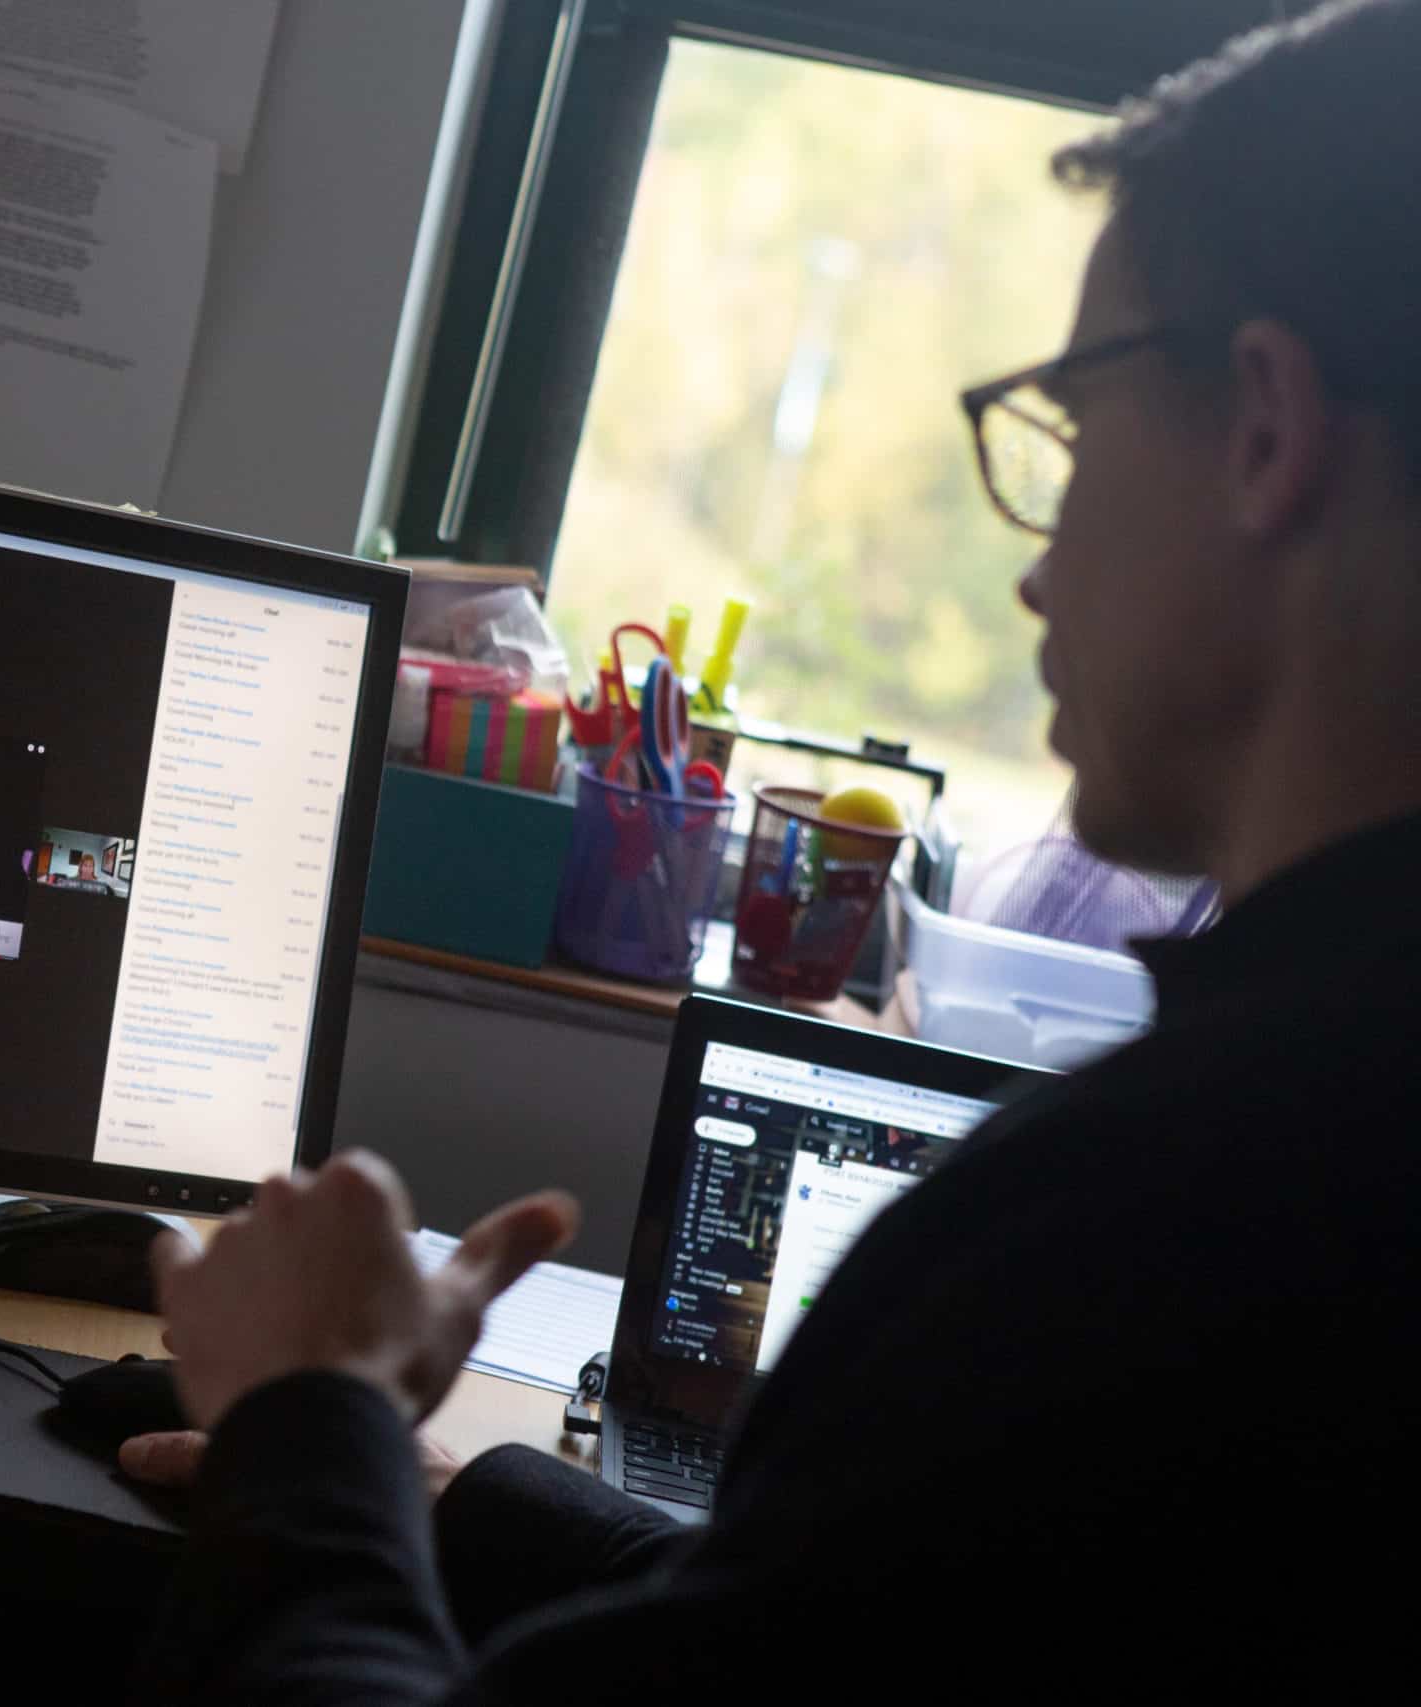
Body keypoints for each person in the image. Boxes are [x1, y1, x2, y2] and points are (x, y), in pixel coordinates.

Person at [125, 1, 1421, 1692]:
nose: (1032, 570)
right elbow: (891, 1608)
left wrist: (310, 1417)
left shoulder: (1150, 1231)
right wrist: (457, 1500)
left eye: (1073, 429)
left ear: (1264, 429)